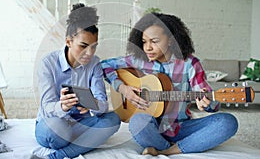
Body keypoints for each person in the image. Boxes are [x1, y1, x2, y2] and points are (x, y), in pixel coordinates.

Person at [101, 12, 238, 156]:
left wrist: (207, 103)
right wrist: (123, 88)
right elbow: (103, 66)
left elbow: (208, 99)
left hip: (182, 127)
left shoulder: (190, 64)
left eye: (154, 41)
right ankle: (179, 146)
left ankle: (167, 150)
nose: (147, 47)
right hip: (152, 126)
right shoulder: (139, 60)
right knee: (137, 121)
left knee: (227, 122)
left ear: (171, 40)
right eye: (144, 41)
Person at [35, 3, 121, 159]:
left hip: (82, 125)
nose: (89, 53)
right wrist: (62, 106)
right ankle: (86, 142)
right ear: (68, 42)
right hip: (54, 125)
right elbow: (46, 107)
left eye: (94, 47)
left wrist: (94, 104)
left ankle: (58, 156)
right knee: (54, 132)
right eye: (83, 46)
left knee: (113, 120)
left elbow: (103, 104)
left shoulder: (95, 63)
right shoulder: (48, 63)